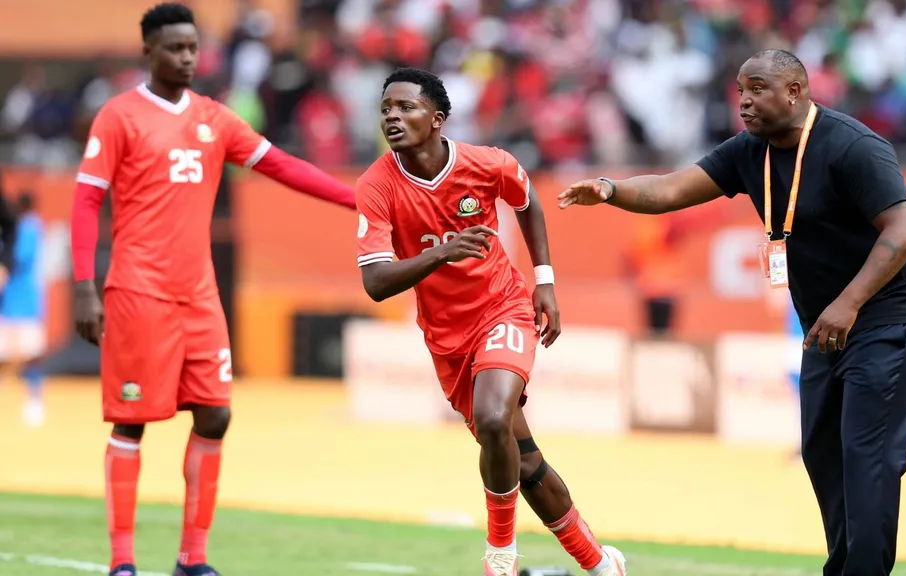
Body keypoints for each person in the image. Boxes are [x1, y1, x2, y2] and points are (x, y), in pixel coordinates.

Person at [557, 49, 906, 576]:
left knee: (866, 457)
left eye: (757, 89)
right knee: (822, 453)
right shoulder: (749, 150)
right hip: (826, 324)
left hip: (888, 316)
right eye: (740, 90)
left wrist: (849, 304)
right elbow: (671, 188)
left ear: (795, 92)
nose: (744, 102)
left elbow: (903, 230)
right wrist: (611, 189)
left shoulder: (853, 146)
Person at [69, 4, 356, 576]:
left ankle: (191, 559)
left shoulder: (215, 119)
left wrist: (357, 199)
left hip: (198, 295)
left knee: (216, 415)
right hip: (138, 290)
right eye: (175, 48)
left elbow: (281, 165)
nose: (187, 58)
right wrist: (84, 286)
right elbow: (85, 200)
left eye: (193, 48)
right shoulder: (119, 116)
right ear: (148, 51)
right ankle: (122, 561)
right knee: (132, 420)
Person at [355, 67, 627, 576]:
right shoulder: (376, 185)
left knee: (495, 416)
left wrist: (544, 280)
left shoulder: (487, 163)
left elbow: (527, 201)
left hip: (502, 308)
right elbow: (375, 282)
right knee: (523, 462)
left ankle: (500, 553)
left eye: (406, 107)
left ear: (437, 118)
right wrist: (442, 253)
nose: (392, 116)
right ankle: (600, 564)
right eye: (386, 108)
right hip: (446, 338)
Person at [0, 191, 48, 427]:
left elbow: (19, 257)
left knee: (32, 354)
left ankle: (34, 400)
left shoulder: (30, 227)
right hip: (8, 301)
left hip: (26, 302)